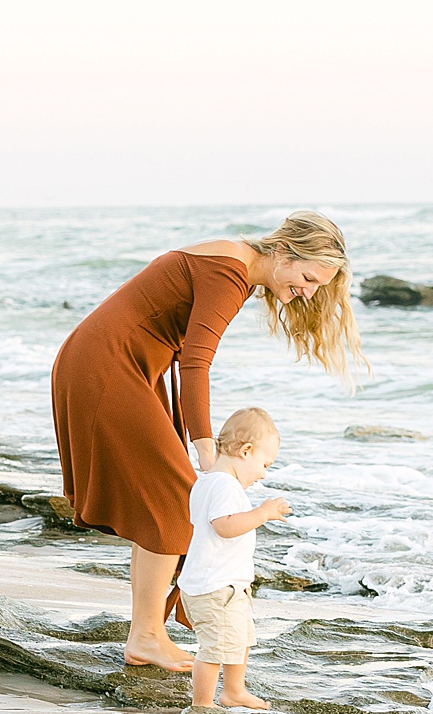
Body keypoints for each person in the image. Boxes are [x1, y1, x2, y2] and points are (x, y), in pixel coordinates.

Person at [50, 212, 360, 670]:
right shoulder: (229, 272)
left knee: (167, 501)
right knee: (178, 501)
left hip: (117, 364)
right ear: (283, 252)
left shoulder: (235, 264)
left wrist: (176, 422)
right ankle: (148, 635)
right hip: (108, 366)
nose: (308, 292)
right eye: (308, 278)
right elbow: (196, 361)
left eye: (318, 287)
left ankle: (145, 634)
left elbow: (171, 345)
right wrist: (205, 446)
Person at [180, 407, 287, 709]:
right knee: (214, 649)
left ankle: (234, 690)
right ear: (246, 451)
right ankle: (202, 703)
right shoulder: (225, 485)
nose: (264, 473)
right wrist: (262, 513)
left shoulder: (208, 481)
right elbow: (224, 526)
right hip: (216, 588)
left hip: (222, 584)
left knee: (238, 638)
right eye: (264, 464)